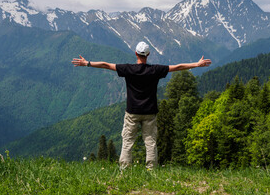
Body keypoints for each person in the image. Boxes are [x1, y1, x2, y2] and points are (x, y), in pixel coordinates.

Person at [71, 41, 211, 169]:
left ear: (136, 53)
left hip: (132, 112)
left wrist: (87, 63)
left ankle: (125, 170)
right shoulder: (155, 70)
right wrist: (196, 64)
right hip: (150, 112)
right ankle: (151, 170)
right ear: (148, 54)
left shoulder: (128, 69)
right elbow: (178, 67)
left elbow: (106, 65)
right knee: (150, 142)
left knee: (127, 141)